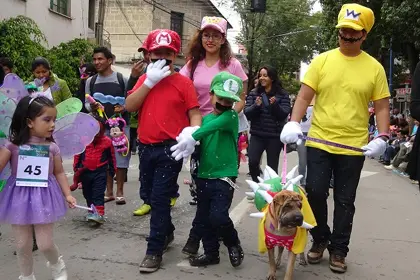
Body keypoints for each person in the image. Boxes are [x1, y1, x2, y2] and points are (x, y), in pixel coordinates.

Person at [280, 3, 390, 273]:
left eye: (354, 33)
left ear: (364, 34)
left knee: (345, 199)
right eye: (343, 32)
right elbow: (305, 95)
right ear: (338, 31)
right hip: (319, 140)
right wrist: (294, 122)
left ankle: (339, 249)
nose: (348, 37)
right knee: (315, 192)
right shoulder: (323, 60)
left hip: (354, 146)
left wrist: (383, 137)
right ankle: (320, 239)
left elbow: (384, 105)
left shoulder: (374, 68)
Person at [126, 29, 201, 272]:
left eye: (167, 53)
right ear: (149, 55)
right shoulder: (144, 79)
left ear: (175, 55)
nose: (162, 58)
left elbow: (194, 112)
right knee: (148, 196)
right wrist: (148, 82)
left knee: (159, 199)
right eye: (157, 53)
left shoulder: (183, 82)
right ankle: (166, 232)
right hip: (146, 148)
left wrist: (193, 131)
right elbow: (129, 106)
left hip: (171, 150)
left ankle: (154, 250)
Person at [179, 16, 248, 254]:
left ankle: (197, 237)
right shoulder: (191, 64)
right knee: (201, 187)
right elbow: (182, 93)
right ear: (201, 37)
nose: (210, 39)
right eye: (206, 35)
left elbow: (242, 98)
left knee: (218, 184)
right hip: (198, 128)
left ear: (223, 39)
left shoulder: (233, 65)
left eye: (216, 35)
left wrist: (227, 118)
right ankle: (203, 234)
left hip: (224, 129)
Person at [171, 72, 245, 267]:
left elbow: (207, 130)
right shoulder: (203, 119)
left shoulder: (230, 116)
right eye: (221, 98)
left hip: (224, 175)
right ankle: (211, 254)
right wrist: (188, 143)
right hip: (204, 174)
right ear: (211, 95)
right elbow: (199, 140)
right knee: (204, 218)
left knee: (218, 216)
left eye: (229, 101)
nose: (225, 104)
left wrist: (193, 135)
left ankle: (233, 243)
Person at [0, 96, 77, 280]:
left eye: (54, 120)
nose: (52, 125)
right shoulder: (13, 145)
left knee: (45, 244)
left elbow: (59, 172)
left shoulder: (52, 148)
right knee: (22, 244)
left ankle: (56, 262)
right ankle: (26, 276)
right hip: (18, 197)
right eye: (47, 120)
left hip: (44, 196)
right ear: (29, 122)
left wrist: (67, 194)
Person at [85, 47, 130, 205]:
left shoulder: (121, 79)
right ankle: (109, 192)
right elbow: (86, 104)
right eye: (95, 59)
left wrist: (124, 107)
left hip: (121, 127)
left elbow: (130, 100)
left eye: (100, 59)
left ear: (110, 60)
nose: (97, 62)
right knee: (105, 159)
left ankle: (120, 192)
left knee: (121, 158)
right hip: (100, 128)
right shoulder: (91, 81)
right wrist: (93, 107)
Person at [244, 65, 291, 182]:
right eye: (260, 76)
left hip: (274, 136)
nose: (262, 78)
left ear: (272, 77)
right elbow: (247, 113)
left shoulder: (282, 94)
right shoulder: (254, 93)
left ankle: (270, 189)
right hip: (257, 134)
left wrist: (275, 105)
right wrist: (256, 106)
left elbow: (284, 114)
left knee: (272, 167)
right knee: (253, 161)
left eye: (265, 75)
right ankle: (257, 184)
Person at [72, 114, 116, 224]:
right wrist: (76, 167)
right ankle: (91, 211)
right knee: (87, 193)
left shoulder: (107, 142)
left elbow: (112, 157)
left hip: (100, 172)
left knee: (98, 192)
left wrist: (112, 169)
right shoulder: (83, 140)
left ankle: (99, 213)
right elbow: (78, 154)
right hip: (85, 172)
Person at [297, 97, 315, 188]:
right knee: (302, 161)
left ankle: (312, 182)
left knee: (313, 161)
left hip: (314, 135)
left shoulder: (320, 98)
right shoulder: (302, 98)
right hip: (301, 134)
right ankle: (302, 183)